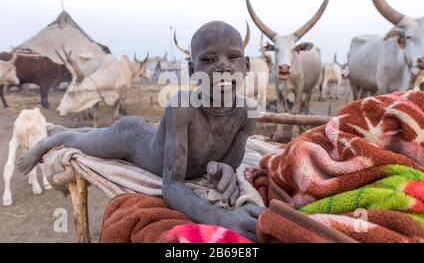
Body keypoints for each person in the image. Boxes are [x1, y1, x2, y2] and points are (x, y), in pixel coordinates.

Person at [17, 21, 263, 241]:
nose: (223, 67)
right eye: (208, 59)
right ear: (191, 70)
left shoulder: (246, 113)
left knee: (96, 134)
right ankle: (56, 137)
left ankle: (76, 132)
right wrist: (220, 218)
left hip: (147, 133)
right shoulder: (183, 107)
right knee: (84, 141)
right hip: (131, 140)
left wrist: (224, 171)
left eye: (233, 57)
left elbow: (229, 166)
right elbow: (172, 186)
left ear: (246, 65)